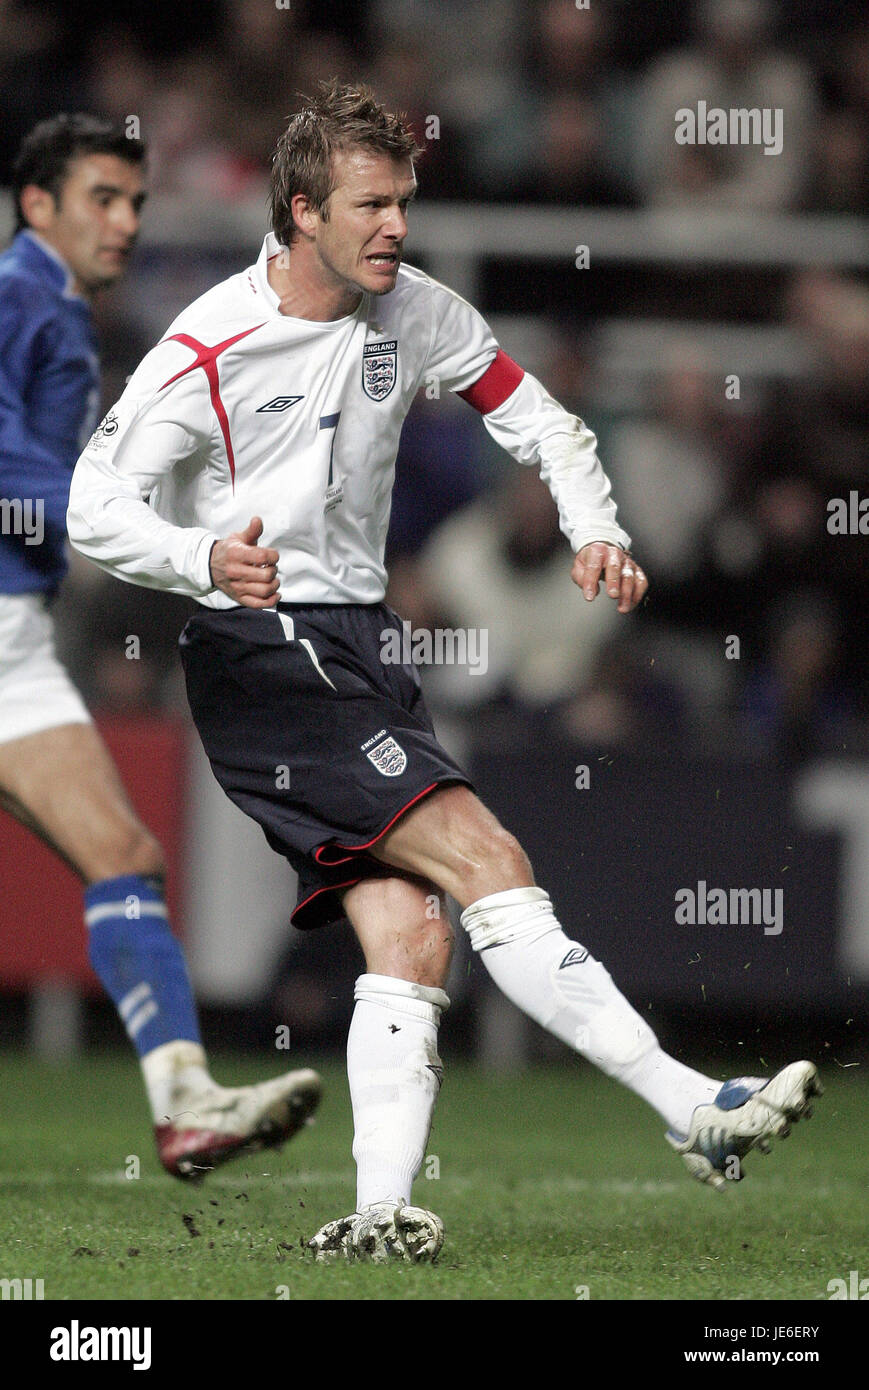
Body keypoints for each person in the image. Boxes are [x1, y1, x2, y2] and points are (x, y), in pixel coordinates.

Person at [67, 82, 821, 1263]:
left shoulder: (412, 309)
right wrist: (197, 553)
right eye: (371, 204)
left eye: (405, 202)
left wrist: (595, 528)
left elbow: (541, 421)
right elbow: (90, 504)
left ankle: (375, 1215)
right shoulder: (208, 340)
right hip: (263, 647)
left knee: (414, 928)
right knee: (489, 861)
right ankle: (693, 1107)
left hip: (351, 645)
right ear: (301, 208)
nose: (395, 227)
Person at [0, 113, 320, 1181]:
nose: (126, 221)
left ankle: (185, 1105)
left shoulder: (56, 312)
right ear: (38, 204)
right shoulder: (17, 300)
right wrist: (156, 536)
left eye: (135, 200)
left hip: (15, 645)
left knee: (124, 858)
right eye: (102, 196)